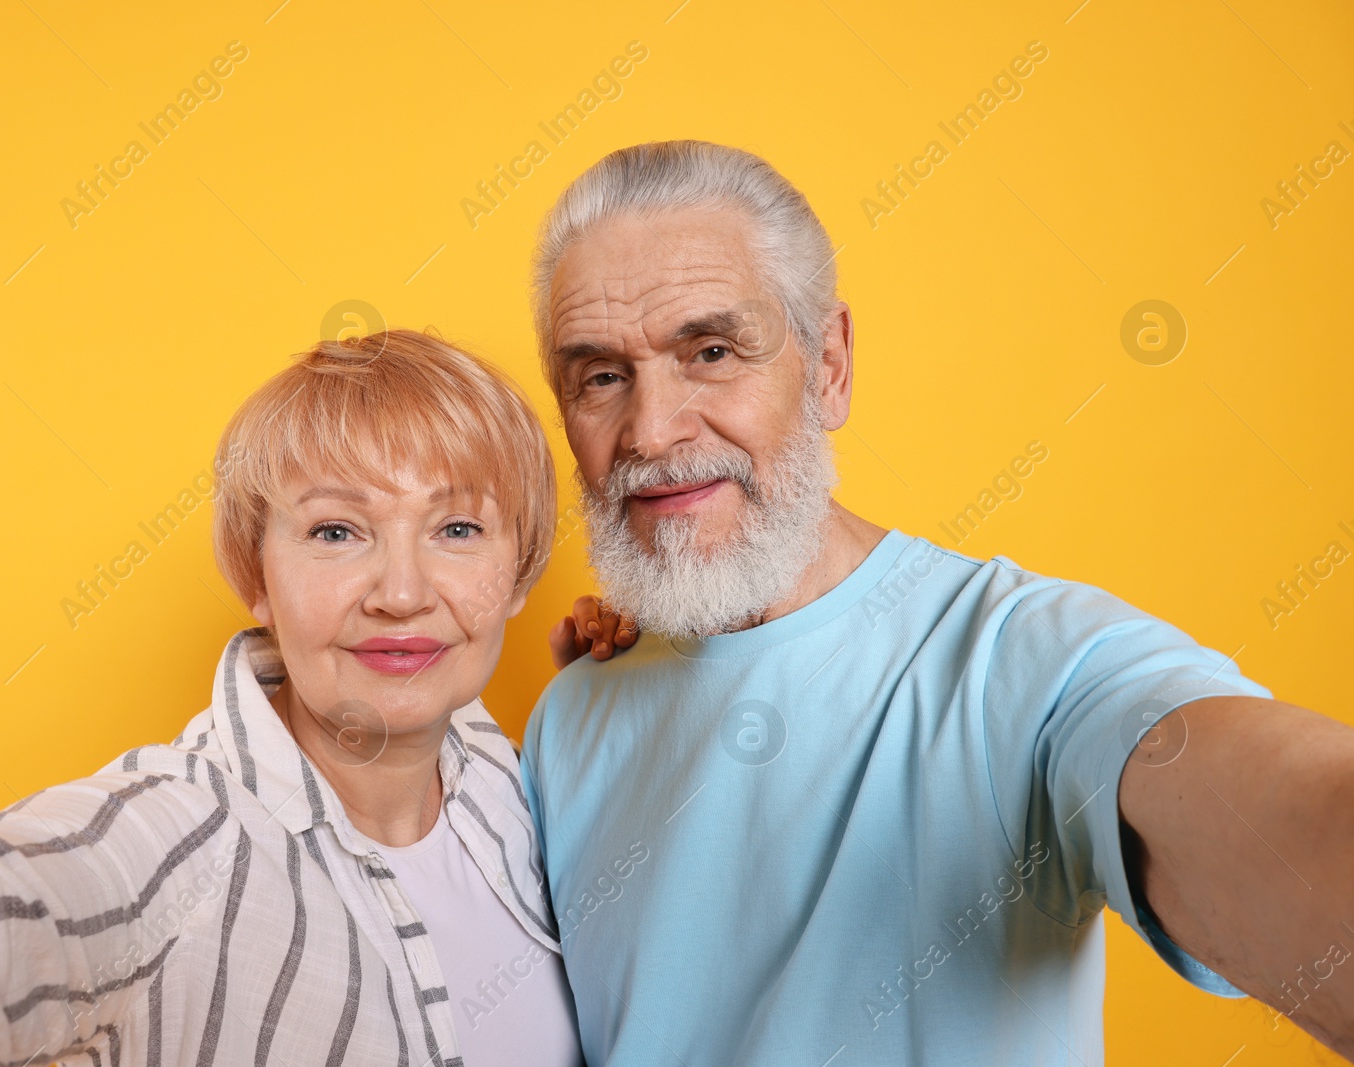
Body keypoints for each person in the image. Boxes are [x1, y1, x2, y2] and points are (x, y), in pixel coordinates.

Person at [523, 140, 1354, 1065]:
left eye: (712, 351)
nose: (650, 429)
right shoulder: (570, 713)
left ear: (830, 365)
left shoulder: (1023, 662)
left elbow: (1255, 808)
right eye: (600, 375)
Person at [0, 330, 584, 1066]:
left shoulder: (521, 781)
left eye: (458, 530)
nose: (401, 593)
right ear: (257, 576)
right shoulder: (183, 838)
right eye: (336, 531)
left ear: (518, 570)